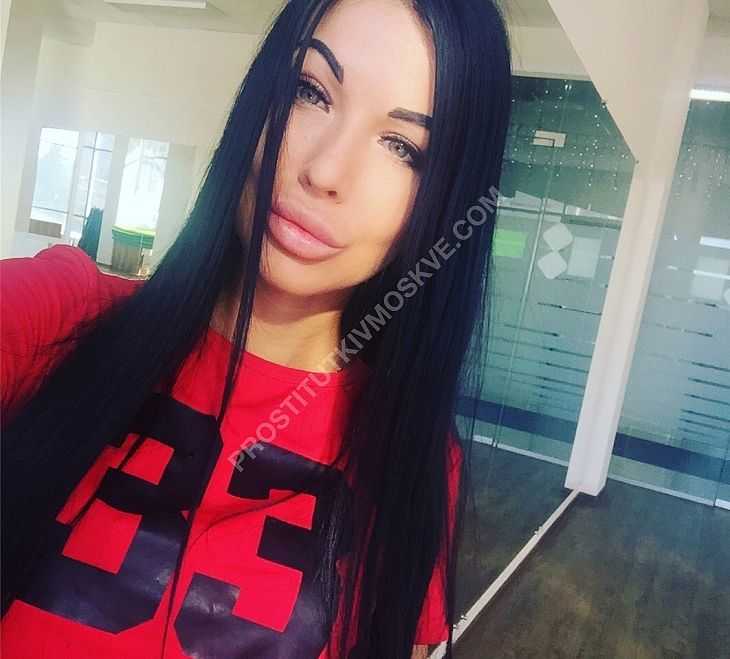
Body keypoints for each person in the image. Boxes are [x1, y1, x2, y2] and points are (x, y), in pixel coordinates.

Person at [0, 0, 511, 657]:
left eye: (403, 148)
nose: (324, 171)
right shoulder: (59, 319)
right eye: (309, 91)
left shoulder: (410, 460)